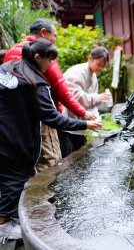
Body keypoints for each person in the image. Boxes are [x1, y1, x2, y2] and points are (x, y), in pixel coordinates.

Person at [0, 38, 102, 240]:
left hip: (5, 130)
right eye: (50, 61)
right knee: (17, 176)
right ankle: (3, 225)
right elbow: (53, 118)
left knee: (7, 174)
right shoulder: (36, 83)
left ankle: (8, 217)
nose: (50, 66)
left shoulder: (8, 67)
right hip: (13, 137)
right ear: (38, 58)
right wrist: (85, 124)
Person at [3, 18, 97, 172]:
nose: (55, 39)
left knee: (22, 163)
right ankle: (44, 196)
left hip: (14, 121)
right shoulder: (44, 58)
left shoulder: (12, 53)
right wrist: (83, 114)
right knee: (50, 162)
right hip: (42, 119)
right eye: (54, 35)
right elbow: (61, 90)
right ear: (43, 33)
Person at [58, 47, 111, 157]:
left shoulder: (93, 75)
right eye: (98, 64)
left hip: (79, 123)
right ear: (90, 58)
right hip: (67, 122)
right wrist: (98, 97)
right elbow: (76, 98)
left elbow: (91, 103)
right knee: (67, 158)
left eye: (103, 65)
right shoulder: (77, 72)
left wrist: (96, 119)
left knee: (79, 155)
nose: (101, 68)